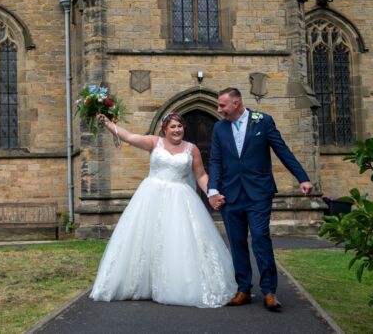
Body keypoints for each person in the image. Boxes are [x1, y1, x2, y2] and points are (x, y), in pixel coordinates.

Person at [90, 113, 237, 308]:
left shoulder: (191, 149)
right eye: (173, 127)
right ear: (164, 130)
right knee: (145, 238)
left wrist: (212, 193)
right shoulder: (153, 142)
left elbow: (200, 175)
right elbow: (128, 136)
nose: (177, 130)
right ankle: (140, 283)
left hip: (180, 199)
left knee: (176, 241)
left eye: (180, 126)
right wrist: (107, 122)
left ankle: (177, 284)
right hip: (151, 196)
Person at [208, 87, 312, 311]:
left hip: (258, 194)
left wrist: (302, 178)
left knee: (260, 237)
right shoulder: (219, 128)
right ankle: (243, 289)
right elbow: (215, 160)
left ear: (236, 103)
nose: (219, 110)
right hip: (231, 194)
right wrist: (212, 189)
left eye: (223, 105)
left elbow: (282, 150)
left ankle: (269, 291)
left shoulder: (263, 121)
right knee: (236, 243)